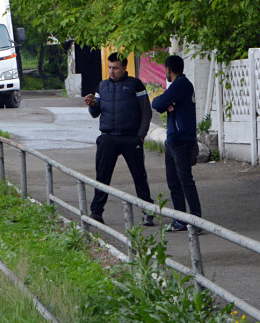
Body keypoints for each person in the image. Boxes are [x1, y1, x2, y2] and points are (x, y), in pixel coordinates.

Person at [84, 52, 155, 226]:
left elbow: (146, 111)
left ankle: (147, 211)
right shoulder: (102, 86)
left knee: (139, 176)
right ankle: (96, 212)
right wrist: (92, 105)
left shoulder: (135, 85)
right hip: (108, 138)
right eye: (109, 68)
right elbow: (96, 113)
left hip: (131, 137)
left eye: (115, 68)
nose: (112, 71)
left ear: (124, 68)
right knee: (102, 177)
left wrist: (141, 136)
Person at [151, 54, 202, 231]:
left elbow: (157, 103)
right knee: (173, 181)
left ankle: (195, 219)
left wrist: (166, 104)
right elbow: (160, 102)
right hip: (173, 139)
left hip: (181, 140)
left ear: (168, 70)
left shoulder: (180, 85)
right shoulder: (180, 86)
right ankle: (180, 218)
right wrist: (166, 104)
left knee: (184, 179)